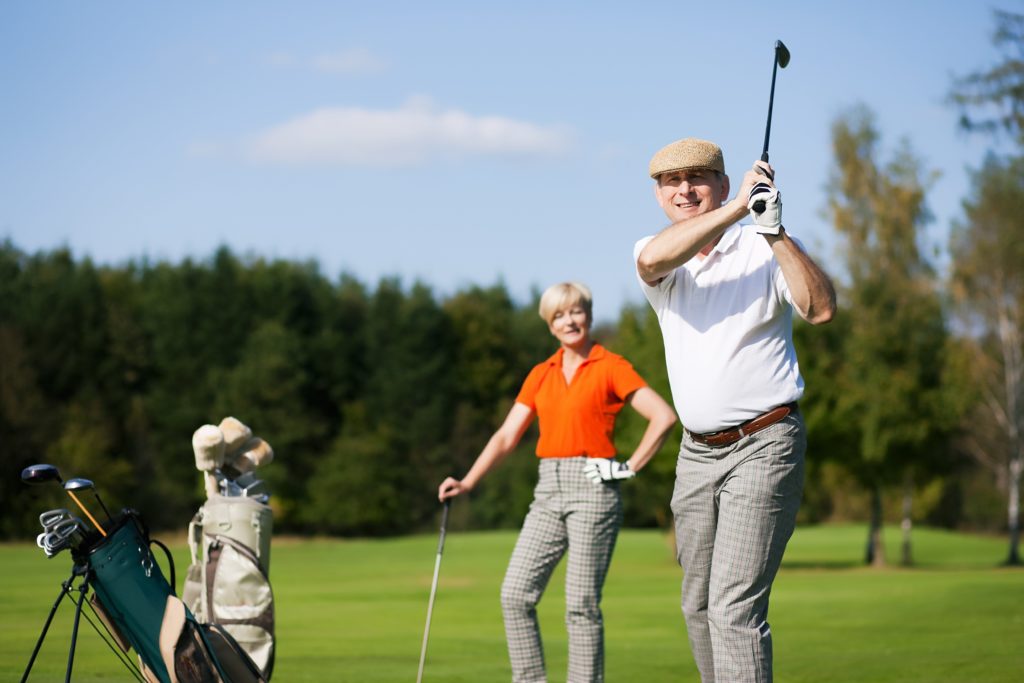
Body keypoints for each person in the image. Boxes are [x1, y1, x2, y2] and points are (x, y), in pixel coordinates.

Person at [633, 138, 836, 683]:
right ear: (658, 195)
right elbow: (654, 259)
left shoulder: (763, 246)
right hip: (696, 456)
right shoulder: (655, 254)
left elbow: (820, 309)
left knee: (733, 609)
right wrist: (738, 208)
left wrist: (773, 230)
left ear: (722, 182)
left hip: (766, 444)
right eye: (671, 182)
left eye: (698, 178)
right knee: (697, 606)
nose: (684, 190)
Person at [438, 281, 677, 683]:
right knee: (515, 595)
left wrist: (628, 466)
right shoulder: (540, 374)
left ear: (589, 314)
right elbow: (505, 436)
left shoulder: (610, 366)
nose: (569, 321)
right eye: (559, 315)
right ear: (550, 325)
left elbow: (663, 416)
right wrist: (468, 482)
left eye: (576, 311)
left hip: (594, 489)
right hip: (547, 489)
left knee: (580, 605)